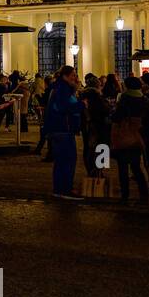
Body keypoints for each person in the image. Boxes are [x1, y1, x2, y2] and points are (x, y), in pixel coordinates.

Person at [45, 65, 83, 199]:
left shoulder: (60, 88)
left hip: (61, 129)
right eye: (73, 75)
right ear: (65, 76)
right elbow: (63, 107)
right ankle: (64, 189)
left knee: (62, 160)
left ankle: (60, 189)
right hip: (62, 129)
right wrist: (82, 105)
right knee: (67, 160)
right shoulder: (63, 89)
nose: (75, 77)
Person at [111, 76, 149, 204]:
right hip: (137, 137)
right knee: (136, 167)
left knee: (123, 168)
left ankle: (125, 195)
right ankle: (144, 194)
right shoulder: (144, 99)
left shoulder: (125, 99)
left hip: (124, 136)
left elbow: (117, 117)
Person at [80, 73, 110, 178]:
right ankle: (98, 172)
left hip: (87, 126)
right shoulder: (96, 96)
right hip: (99, 125)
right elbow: (104, 110)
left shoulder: (84, 95)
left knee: (89, 148)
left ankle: (91, 170)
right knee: (102, 148)